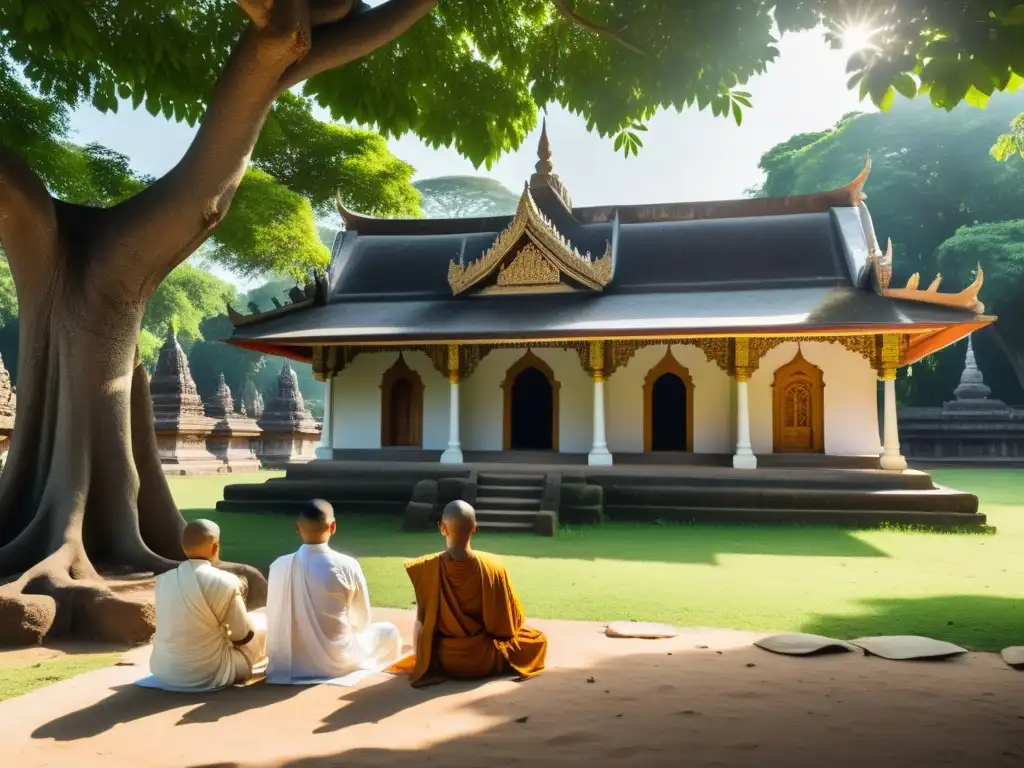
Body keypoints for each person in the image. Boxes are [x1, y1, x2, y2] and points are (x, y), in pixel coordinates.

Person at [400, 500, 547, 687]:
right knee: (536, 638)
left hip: (445, 660)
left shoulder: (425, 567)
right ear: (474, 528)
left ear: (442, 528)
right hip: (484, 658)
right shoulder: (494, 567)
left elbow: (421, 621)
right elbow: (509, 627)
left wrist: (422, 664)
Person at [265, 499, 402, 683]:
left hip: (285, 665)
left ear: (297, 528)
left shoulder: (278, 565)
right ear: (333, 527)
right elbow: (362, 621)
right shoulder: (347, 565)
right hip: (337, 663)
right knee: (388, 631)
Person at [149, 519, 267, 691]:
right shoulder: (225, 581)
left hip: (164, 672)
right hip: (210, 674)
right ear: (215, 547)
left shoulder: (162, 580)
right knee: (263, 624)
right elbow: (242, 636)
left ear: (183, 547)